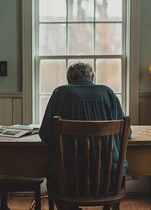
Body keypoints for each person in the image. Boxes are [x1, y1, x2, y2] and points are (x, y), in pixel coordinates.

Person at [39, 62, 130, 209]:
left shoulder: (60, 93)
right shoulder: (108, 93)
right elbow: (127, 134)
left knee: (55, 178)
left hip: (69, 183)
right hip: (108, 182)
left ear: (69, 79)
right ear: (92, 77)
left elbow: (45, 135)